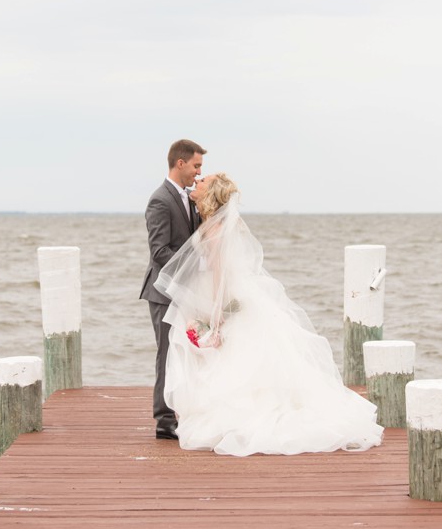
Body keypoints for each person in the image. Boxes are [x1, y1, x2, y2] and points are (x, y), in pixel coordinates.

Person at [155, 174, 384, 456]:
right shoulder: (217, 223)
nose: (197, 181)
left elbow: (220, 273)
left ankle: (238, 417)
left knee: (236, 358)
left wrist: (216, 312)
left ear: (210, 193)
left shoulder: (214, 229)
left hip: (225, 298)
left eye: (203, 181)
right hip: (238, 295)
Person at [139, 139, 207, 440]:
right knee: (167, 353)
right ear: (180, 163)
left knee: (188, 352)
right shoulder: (160, 200)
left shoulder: (187, 198)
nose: (198, 172)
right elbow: (159, 252)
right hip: (164, 293)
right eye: (196, 166)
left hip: (186, 291)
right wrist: (191, 270)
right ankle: (164, 420)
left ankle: (186, 410)